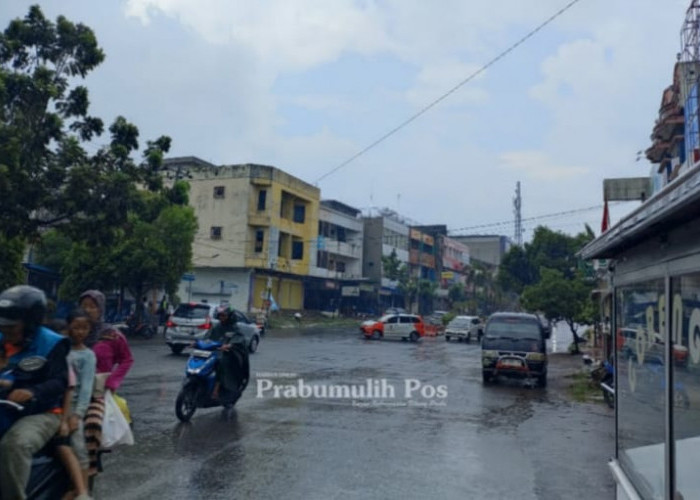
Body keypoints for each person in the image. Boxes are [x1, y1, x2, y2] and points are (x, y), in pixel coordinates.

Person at [0, 285, 71, 500]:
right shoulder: (2, 338)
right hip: (5, 407)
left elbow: (60, 381)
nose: (7, 331)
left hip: (42, 411)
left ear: (30, 322)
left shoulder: (52, 343)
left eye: (13, 326)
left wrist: (32, 391)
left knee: (14, 445)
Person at [78, 290, 134, 477]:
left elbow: (127, 359)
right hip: (72, 389)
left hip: (98, 391)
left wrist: (112, 381)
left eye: (92, 306)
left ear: (100, 309)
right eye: (84, 306)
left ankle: (89, 469)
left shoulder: (112, 335)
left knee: (91, 425)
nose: (87, 310)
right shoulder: (73, 330)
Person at [54, 308, 96, 500]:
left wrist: (77, 415)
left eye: (84, 328)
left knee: (77, 445)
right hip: (54, 402)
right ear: (68, 326)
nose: (80, 332)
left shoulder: (88, 356)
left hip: (74, 407)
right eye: (76, 327)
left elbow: (86, 388)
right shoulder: (59, 348)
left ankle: (83, 491)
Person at [208, 306, 249, 403]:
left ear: (229, 316)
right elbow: (209, 337)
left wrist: (230, 345)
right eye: (220, 315)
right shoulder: (217, 326)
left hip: (230, 354)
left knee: (221, 364)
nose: (222, 317)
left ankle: (216, 390)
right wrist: (198, 343)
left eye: (224, 315)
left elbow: (239, 338)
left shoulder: (234, 327)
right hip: (216, 351)